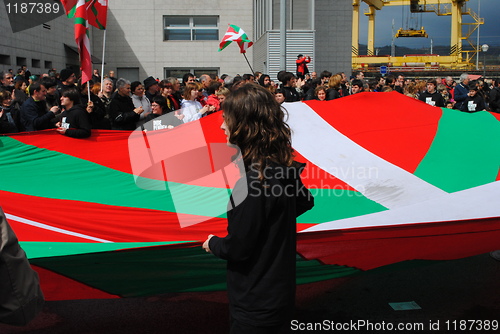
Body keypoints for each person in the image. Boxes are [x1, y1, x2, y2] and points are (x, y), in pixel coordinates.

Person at [202, 83, 314, 334]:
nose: (221, 126)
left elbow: (238, 248)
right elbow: (304, 201)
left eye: (225, 119)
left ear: (244, 125)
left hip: (255, 302)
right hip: (280, 293)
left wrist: (213, 243)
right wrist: (270, 222)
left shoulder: (253, 182)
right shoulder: (281, 167)